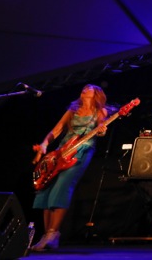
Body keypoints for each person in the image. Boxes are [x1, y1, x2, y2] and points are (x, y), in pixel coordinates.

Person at [30, 84, 108, 251]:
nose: (85, 88)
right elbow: (57, 129)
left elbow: (101, 128)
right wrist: (44, 144)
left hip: (82, 151)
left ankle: (53, 233)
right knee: (47, 187)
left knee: (62, 187)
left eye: (90, 88)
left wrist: (101, 130)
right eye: (84, 87)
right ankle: (47, 235)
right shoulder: (72, 110)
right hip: (62, 152)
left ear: (96, 94)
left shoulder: (100, 111)